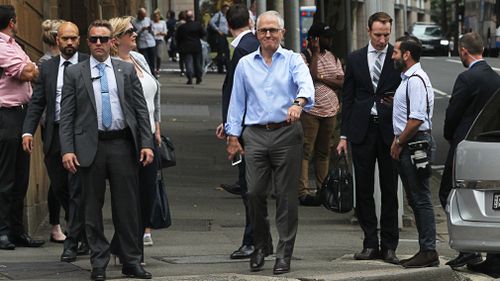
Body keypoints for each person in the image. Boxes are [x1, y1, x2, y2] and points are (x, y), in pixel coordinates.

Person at [59, 19, 154, 281]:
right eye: (93, 39)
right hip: (90, 147)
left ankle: (131, 261)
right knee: (91, 209)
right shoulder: (75, 73)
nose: (98, 44)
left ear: (113, 42)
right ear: (87, 43)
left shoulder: (125, 70)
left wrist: (146, 143)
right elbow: (66, 116)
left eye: (103, 39)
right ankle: (98, 263)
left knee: (127, 208)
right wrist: (67, 149)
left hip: (122, 145)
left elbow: (140, 111)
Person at [225, 11, 314, 274]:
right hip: (254, 134)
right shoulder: (245, 64)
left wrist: (298, 104)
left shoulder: (292, 60)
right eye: (263, 30)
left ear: (282, 34)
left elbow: (306, 86)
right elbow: (236, 102)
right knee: (253, 192)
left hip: (286, 133)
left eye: (273, 30)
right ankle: (262, 244)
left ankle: (284, 254)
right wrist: (232, 135)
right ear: (256, 34)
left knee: (286, 197)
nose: (268, 35)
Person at [336, 12, 401, 264]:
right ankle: (369, 243)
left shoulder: (397, 58)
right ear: (368, 30)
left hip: (389, 132)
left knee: (389, 189)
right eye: (378, 35)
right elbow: (348, 98)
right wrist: (343, 135)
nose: (383, 40)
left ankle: (390, 245)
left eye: (386, 35)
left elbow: (407, 90)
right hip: (361, 131)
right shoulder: (354, 58)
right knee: (362, 189)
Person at [22, 21, 90, 261]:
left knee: (77, 188)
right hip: (55, 134)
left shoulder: (89, 64)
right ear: (57, 41)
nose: (69, 42)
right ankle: (81, 231)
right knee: (60, 187)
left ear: (79, 40)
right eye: (65, 39)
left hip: (81, 135)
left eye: (73, 38)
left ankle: (73, 240)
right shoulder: (48, 68)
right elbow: (37, 102)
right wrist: (28, 131)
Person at [441, 32, 500, 273]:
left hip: (466, 143)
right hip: (490, 145)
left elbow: (453, 113)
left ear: (463, 51)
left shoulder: (466, 78)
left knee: (448, 192)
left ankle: (469, 251)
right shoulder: (495, 78)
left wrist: (450, 136)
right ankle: (492, 258)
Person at [109, 14, 161, 252]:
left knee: (148, 194)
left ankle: (126, 243)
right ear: (117, 39)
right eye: (130, 32)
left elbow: (154, 94)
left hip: (150, 136)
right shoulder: (110, 66)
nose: (135, 34)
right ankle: (129, 247)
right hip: (128, 139)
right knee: (129, 197)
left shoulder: (139, 58)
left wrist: (157, 126)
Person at [215, 3, 259, 260]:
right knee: (252, 186)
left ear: (228, 25)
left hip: (248, 130)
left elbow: (237, 91)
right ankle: (256, 239)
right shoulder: (249, 45)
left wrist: (233, 129)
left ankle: (253, 240)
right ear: (251, 22)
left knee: (250, 187)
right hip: (248, 126)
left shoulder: (243, 48)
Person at [390, 35, 438, 268]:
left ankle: (429, 251)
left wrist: (399, 141)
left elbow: (417, 118)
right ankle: (425, 249)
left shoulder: (416, 80)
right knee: (416, 198)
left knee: (421, 198)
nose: (393, 55)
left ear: (406, 55)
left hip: (415, 144)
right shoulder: (408, 79)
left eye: (396, 52)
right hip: (412, 142)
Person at [0, 4, 43, 251]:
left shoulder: (14, 45)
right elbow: (27, 71)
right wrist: (36, 69)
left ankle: (17, 231)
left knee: (20, 177)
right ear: (13, 22)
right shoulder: (1, 46)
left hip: (21, 115)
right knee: (6, 178)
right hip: (6, 115)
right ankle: (3, 231)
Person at [299, 22, 344, 206]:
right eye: (326, 37)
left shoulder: (333, 57)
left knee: (324, 152)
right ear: (315, 39)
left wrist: (323, 79)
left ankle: (323, 189)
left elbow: (342, 82)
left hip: (330, 110)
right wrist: (316, 52)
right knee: (306, 151)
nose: (330, 40)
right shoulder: (304, 57)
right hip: (311, 111)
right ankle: (302, 191)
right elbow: (310, 76)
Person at [38, 18, 67, 243]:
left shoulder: (73, 62)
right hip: (52, 127)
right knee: (58, 179)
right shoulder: (46, 64)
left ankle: (62, 224)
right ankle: (57, 224)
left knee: (64, 178)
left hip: (65, 126)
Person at [176, 10, 205, 85]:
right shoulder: (197, 25)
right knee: (197, 63)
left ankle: (190, 78)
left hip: (186, 47)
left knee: (188, 63)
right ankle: (199, 77)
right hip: (196, 46)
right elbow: (203, 33)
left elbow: (178, 38)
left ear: (186, 18)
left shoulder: (182, 27)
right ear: (192, 17)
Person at [132, 7, 156, 73]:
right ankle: (148, 73)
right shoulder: (134, 22)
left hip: (151, 42)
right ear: (139, 15)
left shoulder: (148, 20)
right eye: (142, 16)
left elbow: (154, 30)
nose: (143, 17)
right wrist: (141, 30)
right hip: (142, 44)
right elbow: (134, 33)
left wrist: (150, 29)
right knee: (145, 61)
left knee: (152, 60)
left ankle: (153, 74)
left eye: (144, 16)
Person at [209, 4, 230, 73]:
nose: (227, 11)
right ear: (223, 9)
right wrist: (218, 30)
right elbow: (211, 22)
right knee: (220, 52)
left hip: (226, 35)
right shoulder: (218, 15)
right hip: (220, 35)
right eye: (226, 9)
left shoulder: (227, 16)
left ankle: (227, 67)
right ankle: (220, 68)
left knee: (227, 51)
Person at [151, 9, 167, 77]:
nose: (156, 17)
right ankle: (153, 69)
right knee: (153, 55)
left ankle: (158, 69)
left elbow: (165, 32)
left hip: (160, 40)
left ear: (159, 16)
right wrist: (157, 33)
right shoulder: (152, 23)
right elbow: (152, 32)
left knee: (159, 56)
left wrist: (160, 33)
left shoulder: (163, 22)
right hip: (153, 40)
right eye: (155, 16)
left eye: (157, 16)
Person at [175, 11, 187, 76]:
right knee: (186, 57)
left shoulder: (177, 24)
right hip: (187, 42)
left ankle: (182, 70)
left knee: (181, 58)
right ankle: (187, 69)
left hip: (180, 42)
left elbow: (176, 34)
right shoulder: (186, 23)